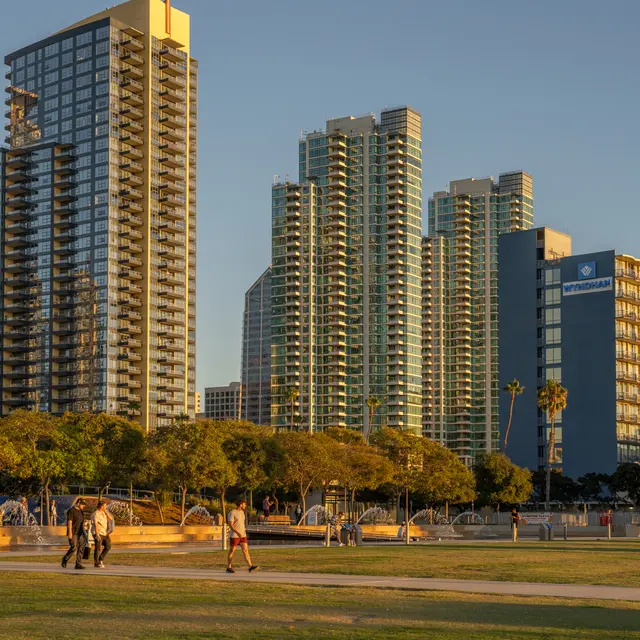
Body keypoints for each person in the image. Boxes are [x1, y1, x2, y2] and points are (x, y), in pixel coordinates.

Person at [226, 498, 259, 574]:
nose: (245, 506)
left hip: (242, 535)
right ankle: (229, 567)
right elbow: (230, 525)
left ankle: (250, 566)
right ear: (240, 505)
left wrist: (243, 531)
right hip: (235, 536)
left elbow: (241, 523)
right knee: (232, 551)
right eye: (244, 504)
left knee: (245, 550)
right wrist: (237, 533)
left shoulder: (242, 513)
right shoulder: (232, 513)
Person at [62, 498, 87, 569]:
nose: (83, 506)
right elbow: (69, 522)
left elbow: (81, 522)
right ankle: (65, 559)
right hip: (73, 532)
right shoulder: (71, 511)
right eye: (82, 504)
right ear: (78, 503)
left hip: (81, 532)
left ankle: (78, 564)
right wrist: (70, 533)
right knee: (74, 548)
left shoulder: (81, 511)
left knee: (81, 548)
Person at [91, 501, 114, 568]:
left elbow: (110, 518)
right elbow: (96, 525)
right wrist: (97, 535)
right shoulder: (95, 514)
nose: (106, 507)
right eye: (104, 506)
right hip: (98, 533)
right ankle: (96, 563)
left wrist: (105, 511)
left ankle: (100, 559)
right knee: (98, 547)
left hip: (104, 533)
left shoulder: (104, 513)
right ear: (101, 506)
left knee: (108, 546)